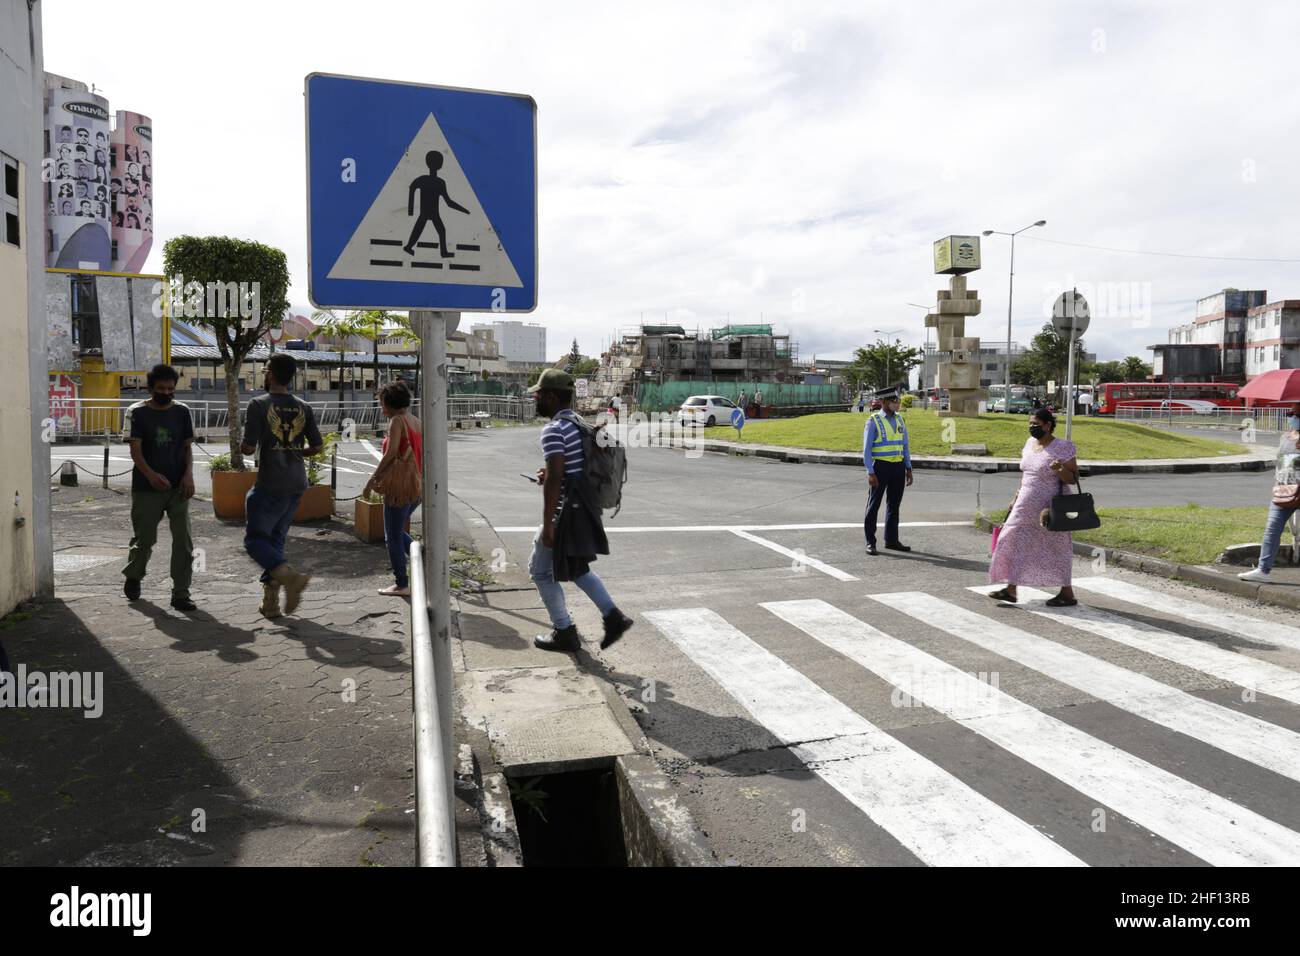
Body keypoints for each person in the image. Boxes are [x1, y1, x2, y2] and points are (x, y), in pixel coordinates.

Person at [528, 368, 634, 652]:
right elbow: (569, 469)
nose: (535, 398)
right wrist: (550, 473)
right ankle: (613, 617)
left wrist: (549, 523)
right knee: (576, 568)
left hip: (565, 513)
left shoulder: (553, 429)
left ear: (550, 396)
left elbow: (554, 480)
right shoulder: (577, 424)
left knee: (540, 572)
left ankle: (565, 631)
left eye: (538, 394)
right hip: (583, 507)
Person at [241, 353, 323, 619]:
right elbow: (318, 446)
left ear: (271, 374)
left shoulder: (258, 404)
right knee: (275, 542)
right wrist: (295, 452)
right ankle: (271, 604)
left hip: (270, 482)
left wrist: (244, 444)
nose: (264, 375)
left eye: (265, 371)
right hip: (297, 483)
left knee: (255, 542)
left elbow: (248, 448)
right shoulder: (303, 407)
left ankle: (291, 579)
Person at [987, 408, 1080, 606]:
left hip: (1049, 510)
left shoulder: (1063, 447)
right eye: (1030, 423)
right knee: (1010, 540)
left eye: (1036, 424)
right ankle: (1011, 590)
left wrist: (1061, 469)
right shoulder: (1030, 444)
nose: (1032, 427)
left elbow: (1073, 478)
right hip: (1024, 506)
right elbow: (1026, 474)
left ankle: (1067, 593)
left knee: (1057, 548)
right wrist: (1016, 496)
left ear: (1048, 425)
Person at [122, 364, 196, 610]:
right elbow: (135, 450)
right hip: (146, 488)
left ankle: (181, 593)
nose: (166, 392)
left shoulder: (182, 412)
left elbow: (187, 448)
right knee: (145, 539)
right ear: (151, 388)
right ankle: (134, 575)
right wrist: (151, 475)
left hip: (178, 488)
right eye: (161, 388)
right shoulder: (136, 412)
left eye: (170, 388)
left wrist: (188, 476)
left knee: (183, 542)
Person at [363, 382, 423, 596]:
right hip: (416, 486)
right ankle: (423, 559)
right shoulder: (416, 421)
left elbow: (390, 455)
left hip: (400, 487)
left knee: (392, 536)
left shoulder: (396, 421)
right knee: (398, 531)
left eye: (382, 402)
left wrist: (372, 479)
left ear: (389, 402)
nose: (381, 407)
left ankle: (402, 583)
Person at [1238, 402, 1300, 582]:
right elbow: (1280, 461)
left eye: (1297, 415)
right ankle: (1263, 570)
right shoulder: (1285, 437)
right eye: (1291, 414)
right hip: (1284, 489)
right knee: (1272, 528)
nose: (1293, 418)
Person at [862, 388, 913, 556]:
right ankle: (870, 542)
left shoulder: (900, 419)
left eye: (897, 401)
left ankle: (891, 540)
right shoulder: (874, 420)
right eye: (894, 401)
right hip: (880, 467)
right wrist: (870, 472)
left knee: (894, 506)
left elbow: (904, 445)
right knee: (873, 506)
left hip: (898, 467)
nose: (897, 404)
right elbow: (867, 449)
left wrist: (908, 467)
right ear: (884, 402)